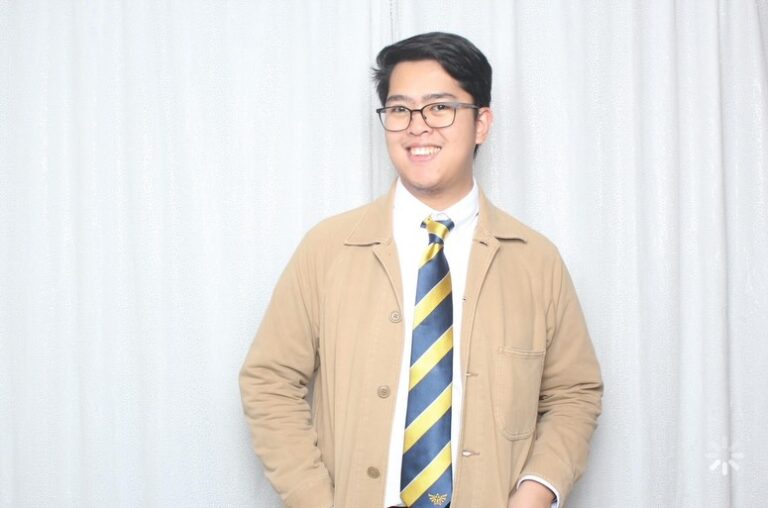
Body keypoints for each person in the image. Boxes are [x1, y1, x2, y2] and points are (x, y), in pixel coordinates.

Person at [239, 32, 603, 508]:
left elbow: (574, 393)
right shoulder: (327, 250)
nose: (417, 127)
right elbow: (268, 380)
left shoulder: (536, 261)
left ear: (481, 123)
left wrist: (535, 493)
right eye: (400, 110)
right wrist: (315, 500)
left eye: (439, 107)